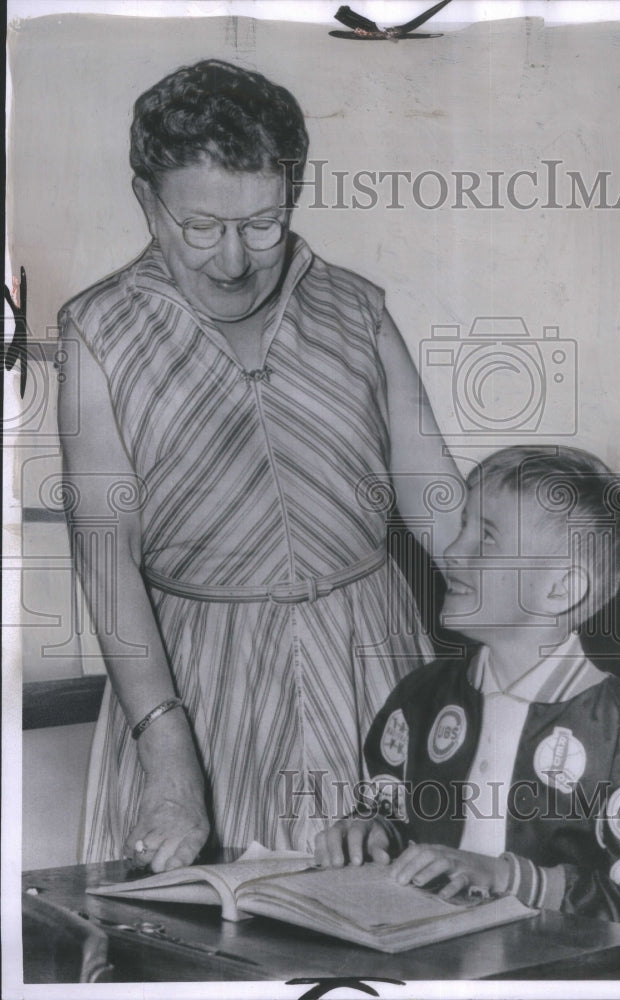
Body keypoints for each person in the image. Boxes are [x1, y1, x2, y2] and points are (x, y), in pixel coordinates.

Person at [58, 59, 462, 872]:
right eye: (200, 227)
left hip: (373, 666)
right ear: (147, 202)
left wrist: (544, 644)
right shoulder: (96, 333)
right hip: (199, 688)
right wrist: (170, 759)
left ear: (295, 191)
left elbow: (440, 506)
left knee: (406, 924)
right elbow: (108, 561)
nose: (235, 260)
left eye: (263, 223)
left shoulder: (357, 309)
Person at [315, 446, 620, 948]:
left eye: (485, 538)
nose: (452, 551)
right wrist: (372, 832)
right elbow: (389, 812)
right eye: (463, 526)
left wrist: (507, 878)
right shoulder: (422, 697)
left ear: (560, 590)